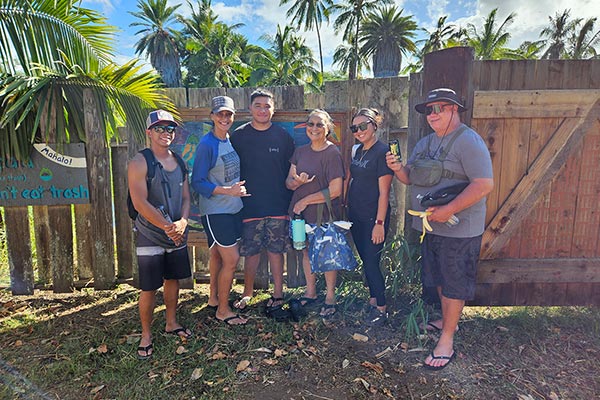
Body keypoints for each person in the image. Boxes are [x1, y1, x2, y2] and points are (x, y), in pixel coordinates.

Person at [386, 88, 494, 370]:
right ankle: (447, 321)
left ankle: (447, 339)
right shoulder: (424, 143)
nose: (433, 115)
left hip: (459, 228)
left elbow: (483, 184)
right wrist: (397, 168)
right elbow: (409, 178)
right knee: (441, 280)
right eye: (429, 110)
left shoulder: (468, 141)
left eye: (440, 109)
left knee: (454, 282)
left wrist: (449, 210)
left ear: (455, 109)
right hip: (431, 228)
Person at [128, 109, 193, 360]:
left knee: (173, 279)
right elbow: (139, 202)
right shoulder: (139, 162)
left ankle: (171, 322)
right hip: (150, 234)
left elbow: (187, 198)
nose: (165, 133)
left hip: (176, 233)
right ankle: (146, 334)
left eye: (169, 129)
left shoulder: (179, 161)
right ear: (149, 133)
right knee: (148, 287)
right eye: (159, 129)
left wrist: (183, 222)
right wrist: (168, 227)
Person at [230, 89, 295, 313]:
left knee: (277, 251)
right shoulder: (238, 136)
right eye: (258, 105)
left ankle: (278, 294)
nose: (262, 110)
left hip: (278, 203)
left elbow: (291, 170)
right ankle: (247, 292)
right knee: (251, 252)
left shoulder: (282, 136)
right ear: (250, 108)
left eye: (267, 106)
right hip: (249, 205)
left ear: (273, 109)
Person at [191, 96, 248, 326]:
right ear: (212, 116)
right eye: (220, 114)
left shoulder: (228, 140)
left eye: (229, 114)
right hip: (216, 211)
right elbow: (197, 182)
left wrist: (236, 192)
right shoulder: (207, 144)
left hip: (234, 208)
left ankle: (214, 298)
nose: (224, 118)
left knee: (216, 254)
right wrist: (227, 191)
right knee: (232, 260)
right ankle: (223, 311)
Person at [286, 109, 345, 318]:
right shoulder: (300, 152)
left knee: (328, 254)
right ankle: (310, 292)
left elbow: (336, 190)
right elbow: (288, 182)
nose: (314, 128)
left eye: (319, 124)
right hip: (300, 215)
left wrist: (305, 200)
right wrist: (297, 183)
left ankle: (330, 297)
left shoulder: (332, 154)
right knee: (305, 251)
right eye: (311, 124)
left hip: (324, 215)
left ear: (328, 128)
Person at [347, 108, 393, 326]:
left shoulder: (382, 152)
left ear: (375, 125)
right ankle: (373, 300)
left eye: (363, 126)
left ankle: (382, 308)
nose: (359, 131)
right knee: (366, 259)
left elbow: (384, 192)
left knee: (373, 261)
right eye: (354, 128)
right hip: (356, 214)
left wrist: (380, 223)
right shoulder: (357, 150)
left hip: (374, 217)